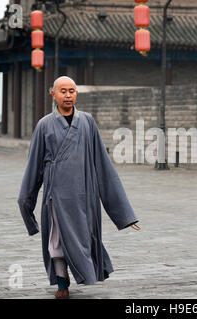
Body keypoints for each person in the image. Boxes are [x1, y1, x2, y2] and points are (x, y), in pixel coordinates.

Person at [18, 76, 140, 299]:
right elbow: (33, 168)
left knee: (83, 239)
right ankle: (62, 284)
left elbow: (103, 166)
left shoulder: (87, 122)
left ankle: (85, 275)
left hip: (85, 194)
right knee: (57, 241)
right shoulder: (44, 125)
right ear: (53, 94)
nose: (68, 95)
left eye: (72, 91)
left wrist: (125, 214)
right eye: (63, 91)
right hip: (57, 196)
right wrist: (25, 202)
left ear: (76, 94)